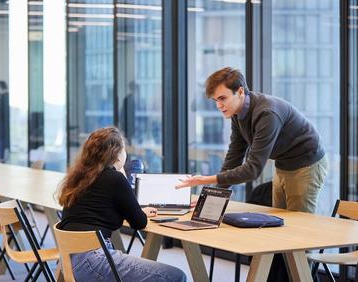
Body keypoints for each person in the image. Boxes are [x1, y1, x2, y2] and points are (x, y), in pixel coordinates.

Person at [176, 67, 328, 214]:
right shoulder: (237, 113)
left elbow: (252, 169)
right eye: (216, 100)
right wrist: (213, 196)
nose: (219, 105)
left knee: (299, 226)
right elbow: (234, 157)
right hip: (284, 163)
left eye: (222, 98)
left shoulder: (267, 114)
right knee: (280, 219)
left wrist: (205, 180)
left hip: (307, 163)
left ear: (240, 91)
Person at [56, 126, 186, 282]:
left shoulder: (78, 178)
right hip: (92, 261)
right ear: (116, 154)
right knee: (176, 276)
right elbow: (139, 222)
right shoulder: (115, 179)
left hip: (66, 260)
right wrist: (122, 176)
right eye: (123, 150)